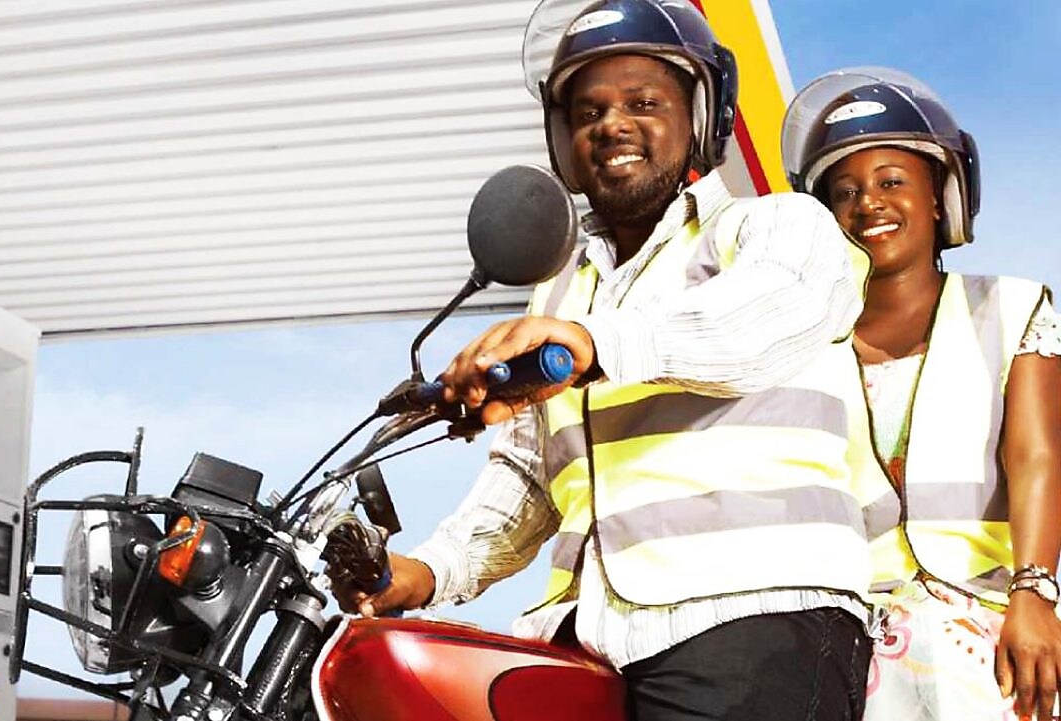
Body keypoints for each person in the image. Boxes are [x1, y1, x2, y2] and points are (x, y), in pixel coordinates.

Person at [335, 1, 877, 718]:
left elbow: (764, 317)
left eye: (643, 102)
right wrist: (427, 570)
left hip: (754, 621)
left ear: (700, 116)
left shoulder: (777, 226)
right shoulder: (562, 290)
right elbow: (529, 472)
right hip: (590, 638)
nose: (612, 124)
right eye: (588, 113)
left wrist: (591, 343)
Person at [781, 67, 1061, 720]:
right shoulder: (801, 346)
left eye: (891, 181)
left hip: (991, 630)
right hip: (849, 646)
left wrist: (1036, 594)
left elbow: (1037, 457)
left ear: (939, 196)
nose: (868, 203)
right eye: (844, 191)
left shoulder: (1013, 306)